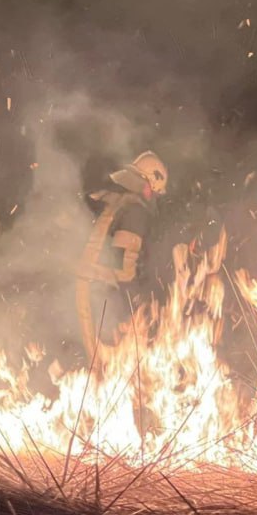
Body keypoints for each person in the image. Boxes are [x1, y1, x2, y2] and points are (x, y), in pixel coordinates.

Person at [74, 151, 168, 362]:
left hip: (85, 288)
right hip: (98, 295)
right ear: (149, 186)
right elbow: (124, 269)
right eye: (155, 192)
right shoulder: (136, 211)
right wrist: (140, 305)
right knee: (104, 365)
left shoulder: (112, 199)